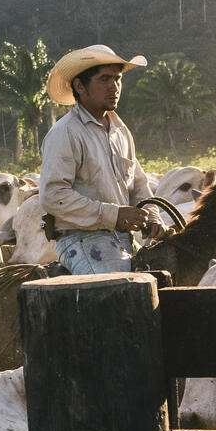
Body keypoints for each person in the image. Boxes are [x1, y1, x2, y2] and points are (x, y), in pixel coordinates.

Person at [38, 44, 163, 274]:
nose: (114, 87)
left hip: (123, 241)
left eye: (117, 79)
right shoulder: (66, 132)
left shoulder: (120, 130)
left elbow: (138, 184)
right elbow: (53, 196)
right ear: (79, 86)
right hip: (82, 241)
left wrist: (152, 216)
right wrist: (113, 215)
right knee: (119, 292)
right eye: (104, 79)